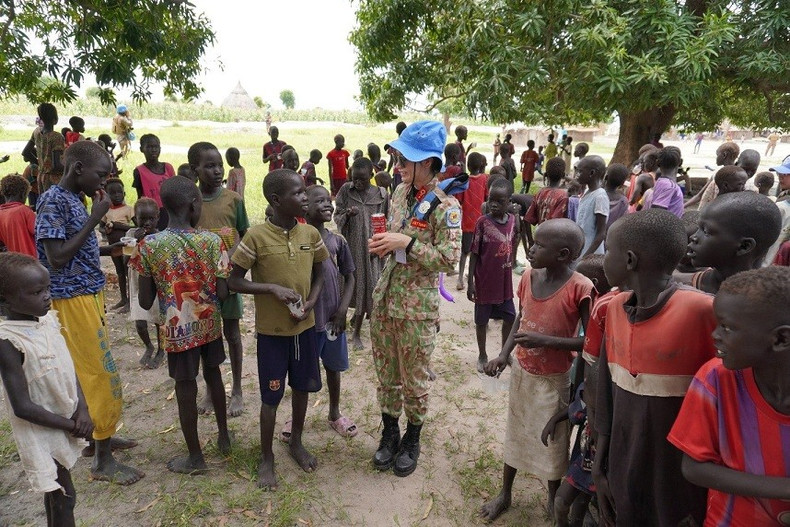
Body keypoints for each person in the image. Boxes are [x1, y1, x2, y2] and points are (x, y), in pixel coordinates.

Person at [593, 209, 717, 526]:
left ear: (630, 260)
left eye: (609, 251)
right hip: (624, 461)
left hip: (678, 476)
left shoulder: (702, 310)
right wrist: (599, 463)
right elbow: (606, 391)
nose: (604, 259)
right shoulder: (616, 308)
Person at [35, 140, 143, 484]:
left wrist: (109, 246)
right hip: (70, 300)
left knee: (90, 369)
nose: (103, 183)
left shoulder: (73, 199)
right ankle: (103, 459)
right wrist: (96, 217)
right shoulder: (53, 201)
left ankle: (98, 441)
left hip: (87, 293)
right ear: (77, 168)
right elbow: (57, 257)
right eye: (100, 175)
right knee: (97, 372)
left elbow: (75, 247)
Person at [481, 219, 593, 521]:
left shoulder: (581, 287)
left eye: (540, 245)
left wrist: (545, 341)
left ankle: (553, 496)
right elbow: (521, 316)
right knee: (516, 431)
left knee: (553, 440)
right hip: (523, 372)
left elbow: (591, 342)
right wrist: (505, 354)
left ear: (563, 254)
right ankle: (505, 492)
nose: (530, 248)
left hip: (554, 378)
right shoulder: (529, 276)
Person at [368, 120, 462, 478]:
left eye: (406, 158)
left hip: (416, 308)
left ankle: (413, 437)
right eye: (398, 156)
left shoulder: (445, 206)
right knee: (387, 374)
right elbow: (394, 239)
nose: (399, 164)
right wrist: (384, 245)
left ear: (428, 163)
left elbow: (449, 260)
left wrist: (406, 243)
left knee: (415, 378)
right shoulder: (398, 194)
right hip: (386, 299)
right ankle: (389, 432)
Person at [228, 168, 329, 490]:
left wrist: (311, 303)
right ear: (276, 200)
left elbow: (321, 274)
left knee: (302, 389)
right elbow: (233, 280)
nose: (304, 198)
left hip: (305, 330)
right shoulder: (256, 237)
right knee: (271, 397)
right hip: (272, 333)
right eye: (298, 193)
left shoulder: (310, 235)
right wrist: (270, 288)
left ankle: (296, 441)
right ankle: (266, 456)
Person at [667, 266, 790, 526]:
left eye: (728, 328)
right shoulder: (716, 380)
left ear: (781, 338)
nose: (715, 335)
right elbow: (694, 467)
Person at [133, 176, 232, 474]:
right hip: (210, 325)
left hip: (177, 331)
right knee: (213, 375)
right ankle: (224, 438)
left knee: (185, 387)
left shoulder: (148, 246)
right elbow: (225, 293)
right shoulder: (213, 242)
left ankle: (195, 457)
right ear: (193, 204)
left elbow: (146, 298)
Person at [0, 252, 94, 526]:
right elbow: (23, 407)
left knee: (58, 496)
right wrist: (70, 424)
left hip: (66, 419)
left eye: (48, 288)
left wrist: (83, 408)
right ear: (5, 299)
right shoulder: (9, 341)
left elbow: (67, 365)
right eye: (37, 292)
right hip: (43, 430)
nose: (47, 296)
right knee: (65, 497)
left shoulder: (47, 320)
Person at [191, 141, 249, 418]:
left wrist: (231, 267)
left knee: (233, 334)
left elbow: (244, 235)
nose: (216, 171)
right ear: (195, 169)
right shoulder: (191, 202)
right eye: (209, 166)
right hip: (199, 282)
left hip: (227, 280)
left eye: (218, 165)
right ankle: (211, 390)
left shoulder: (233, 200)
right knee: (206, 336)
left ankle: (237, 389)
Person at [295, 185, 358, 438]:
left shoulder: (337, 241)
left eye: (328, 200)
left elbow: (350, 277)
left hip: (333, 320)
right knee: (301, 372)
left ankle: (334, 413)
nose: (327, 205)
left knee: (333, 368)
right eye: (318, 201)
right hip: (306, 321)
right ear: (304, 208)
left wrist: (343, 311)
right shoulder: (297, 239)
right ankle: (296, 417)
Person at [334, 157, 389, 350]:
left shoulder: (381, 195)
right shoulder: (346, 191)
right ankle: (350, 323)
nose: (357, 183)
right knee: (351, 285)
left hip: (373, 250)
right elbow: (337, 215)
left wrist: (382, 244)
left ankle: (357, 331)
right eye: (354, 179)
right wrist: (347, 215)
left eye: (362, 180)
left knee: (369, 287)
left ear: (371, 176)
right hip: (351, 249)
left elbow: (387, 220)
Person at [685, 192, 782, 295]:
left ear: (744, 246)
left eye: (705, 231)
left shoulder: (770, 305)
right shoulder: (681, 288)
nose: (693, 237)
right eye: (698, 228)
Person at [467, 179, 518, 372]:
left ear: (509, 202)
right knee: (481, 320)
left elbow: (513, 239)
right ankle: (482, 354)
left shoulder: (512, 220)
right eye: (490, 200)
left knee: (510, 317)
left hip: (504, 281)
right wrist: (471, 281)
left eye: (499, 201)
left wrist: (511, 260)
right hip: (485, 281)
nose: (493, 204)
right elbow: (474, 253)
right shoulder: (482, 223)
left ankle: (505, 352)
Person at [124, 197, 163, 369]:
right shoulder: (130, 235)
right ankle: (149, 346)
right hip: (137, 284)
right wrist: (136, 243)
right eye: (142, 219)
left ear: (158, 217)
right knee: (140, 322)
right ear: (135, 219)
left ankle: (162, 349)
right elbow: (126, 260)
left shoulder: (161, 236)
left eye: (151, 219)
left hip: (156, 285)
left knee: (158, 320)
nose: (147, 223)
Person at [456, 152, 488, 290]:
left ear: (467, 165)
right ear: (482, 165)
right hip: (481, 222)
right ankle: (473, 277)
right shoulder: (485, 180)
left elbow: (459, 200)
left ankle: (460, 279)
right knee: (478, 252)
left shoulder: (464, 181)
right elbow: (487, 197)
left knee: (464, 251)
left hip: (467, 223)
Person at [101, 178, 134, 312]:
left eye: (119, 192)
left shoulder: (129, 209)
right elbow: (101, 228)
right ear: (107, 196)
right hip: (112, 247)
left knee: (128, 272)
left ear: (124, 194)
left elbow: (135, 227)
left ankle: (131, 301)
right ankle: (123, 298)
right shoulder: (107, 211)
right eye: (113, 193)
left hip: (126, 246)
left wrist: (117, 225)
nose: (117, 195)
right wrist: (106, 230)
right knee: (119, 272)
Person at [132, 134, 175, 231]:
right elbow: (139, 195)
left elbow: (174, 189)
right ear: (141, 149)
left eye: (156, 147)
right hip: (151, 214)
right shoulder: (139, 171)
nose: (153, 150)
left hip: (169, 210)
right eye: (149, 147)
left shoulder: (168, 167)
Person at [686, 141, 740, 210]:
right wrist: (683, 206)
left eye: (717, 155)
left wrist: (683, 206)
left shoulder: (718, 173)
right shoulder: (739, 175)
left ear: (724, 155)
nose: (716, 158)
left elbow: (699, 196)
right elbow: (699, 196)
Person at [575, 155, 608, 258]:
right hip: (581, 249)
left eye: (580, 172)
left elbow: (601, 233)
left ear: (592, 173)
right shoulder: (587, 192)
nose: (576, 175)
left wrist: (586, 257)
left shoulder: (600, 197)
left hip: (591, 254)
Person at [0, 174, 36, 256]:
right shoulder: (24, 211)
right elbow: (39, 231)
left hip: (16, 263)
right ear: (23, 194)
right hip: (33, 260)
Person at [526, 157, 569, 226]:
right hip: (553, 235)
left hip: (540, 235)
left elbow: (528, 218)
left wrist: (530, 237)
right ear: (563, 175)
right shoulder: (563, 196)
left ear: (545, 174)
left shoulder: (540, 193)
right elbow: (554, 223)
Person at [643, 146, 685, 217]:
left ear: (657, 162)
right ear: (680, 162)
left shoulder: (661, 181)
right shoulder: (670, 186)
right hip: (667, 227)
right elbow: (657, 212)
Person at [34, 103, 64, 194]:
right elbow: (57, 165)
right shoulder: (56, 137)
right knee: (55, 205)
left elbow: (26, 152)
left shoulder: (36, 132)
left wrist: (42, 165)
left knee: (44, 204)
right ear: (55, 119)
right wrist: (70, 168)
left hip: (41, 176)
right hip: (54, 179)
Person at [604, 163, 629, 232]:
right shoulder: (623, 201)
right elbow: (623, 221)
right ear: (622, 183)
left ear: (606, 177)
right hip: (611, 235)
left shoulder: (596, 195)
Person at [386, 121, 408, 189]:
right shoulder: (408, 145)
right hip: (407, 171)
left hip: (397, 172)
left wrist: (387, 171)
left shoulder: (393, 144)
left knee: (397, 190)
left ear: (396, 131)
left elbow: (391, 160)